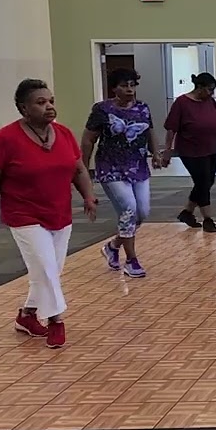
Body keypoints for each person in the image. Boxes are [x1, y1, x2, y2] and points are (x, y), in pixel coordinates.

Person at [0, 79, 98, 349]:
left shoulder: (64, 134)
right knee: (45, 268)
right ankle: (56, 320)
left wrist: (89, 197)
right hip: (24, 214)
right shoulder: (4, 139)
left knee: (49, 271)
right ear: (24, 108)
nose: (49, 107)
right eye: (41, 103)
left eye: (51, 101)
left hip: (59, 213)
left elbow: (78, 169)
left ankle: (27, 315)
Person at [81, 68, 162, 279]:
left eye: (132, 85)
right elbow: (88, 139)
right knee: (128, 208)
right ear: (114, 88)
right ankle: (132, 261)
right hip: (110, 167)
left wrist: (156, 153)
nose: (129, 89)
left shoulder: (143, 108)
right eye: (124, 85)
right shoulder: (102, 109)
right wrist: (84, 168)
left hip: (138, 167)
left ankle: (113, 246)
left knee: (142, 212)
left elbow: (149, 131)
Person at [162, 72, 216, 233]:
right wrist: (167, 150)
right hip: (191, 150)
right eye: (209, 89)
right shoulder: (182, 103)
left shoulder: (209, 102)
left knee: (208, 182)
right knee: (202, 183)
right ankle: (208, 219)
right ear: (199, 87)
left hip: (210, 148)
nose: (211, 93)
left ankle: (187, 213)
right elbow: (171, 128)